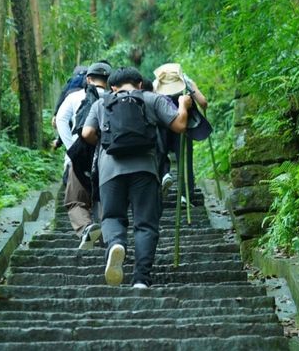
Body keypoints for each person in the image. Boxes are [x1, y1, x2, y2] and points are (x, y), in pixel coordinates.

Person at [82, 66, 192, 288]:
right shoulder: (151, 99)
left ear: (112, 87)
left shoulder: (100, 103)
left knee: (112, 217)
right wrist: (183, 105)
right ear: (140, 84)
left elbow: (86, 134)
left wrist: (105, 145)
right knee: (145, 224)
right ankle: (141, 278)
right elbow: (179, 125)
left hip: (110, 170)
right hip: (145, 170)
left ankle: (115, 244)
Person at [57, 61, 111, 249]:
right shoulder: (115, 97)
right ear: (109, 80)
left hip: (81, 157)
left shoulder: (75, 97)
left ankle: (86, 227)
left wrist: (71, 146)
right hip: (109, 157)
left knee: (75, 200)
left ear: (88, 79)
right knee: (104, 197)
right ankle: (109, 238)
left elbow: (60, 119)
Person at [153, 63, 208, 206]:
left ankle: (164, 174)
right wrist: (193, 91)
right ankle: (185, 195)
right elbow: (203, 102)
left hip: (162, 125)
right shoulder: (187, 82)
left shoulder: (155, 85)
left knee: (160, 152)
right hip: (183, 126)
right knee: (184, 158)